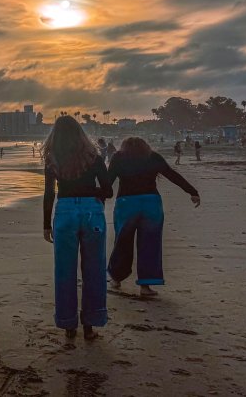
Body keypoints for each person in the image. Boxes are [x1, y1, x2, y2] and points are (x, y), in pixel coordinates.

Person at [42, 116, 113, 340]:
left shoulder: (52, 158)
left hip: (64, 212)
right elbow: (108, 190)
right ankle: (90, 324)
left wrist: (46, 224)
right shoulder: (93, 156)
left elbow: (49, 193)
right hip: (92, 213)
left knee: (64, 270)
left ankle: (68, 324)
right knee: (94, 270)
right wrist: (90, 193)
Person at [107, 137, 200, 297]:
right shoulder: (153, 157)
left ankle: (116, 279)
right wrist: (192, 191)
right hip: (151, 204)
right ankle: (145, 286)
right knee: (150, 244)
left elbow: (108, 180)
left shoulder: (118, 157)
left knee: (122, 242)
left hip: (126, 204)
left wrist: (95, 196)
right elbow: (171, 175)